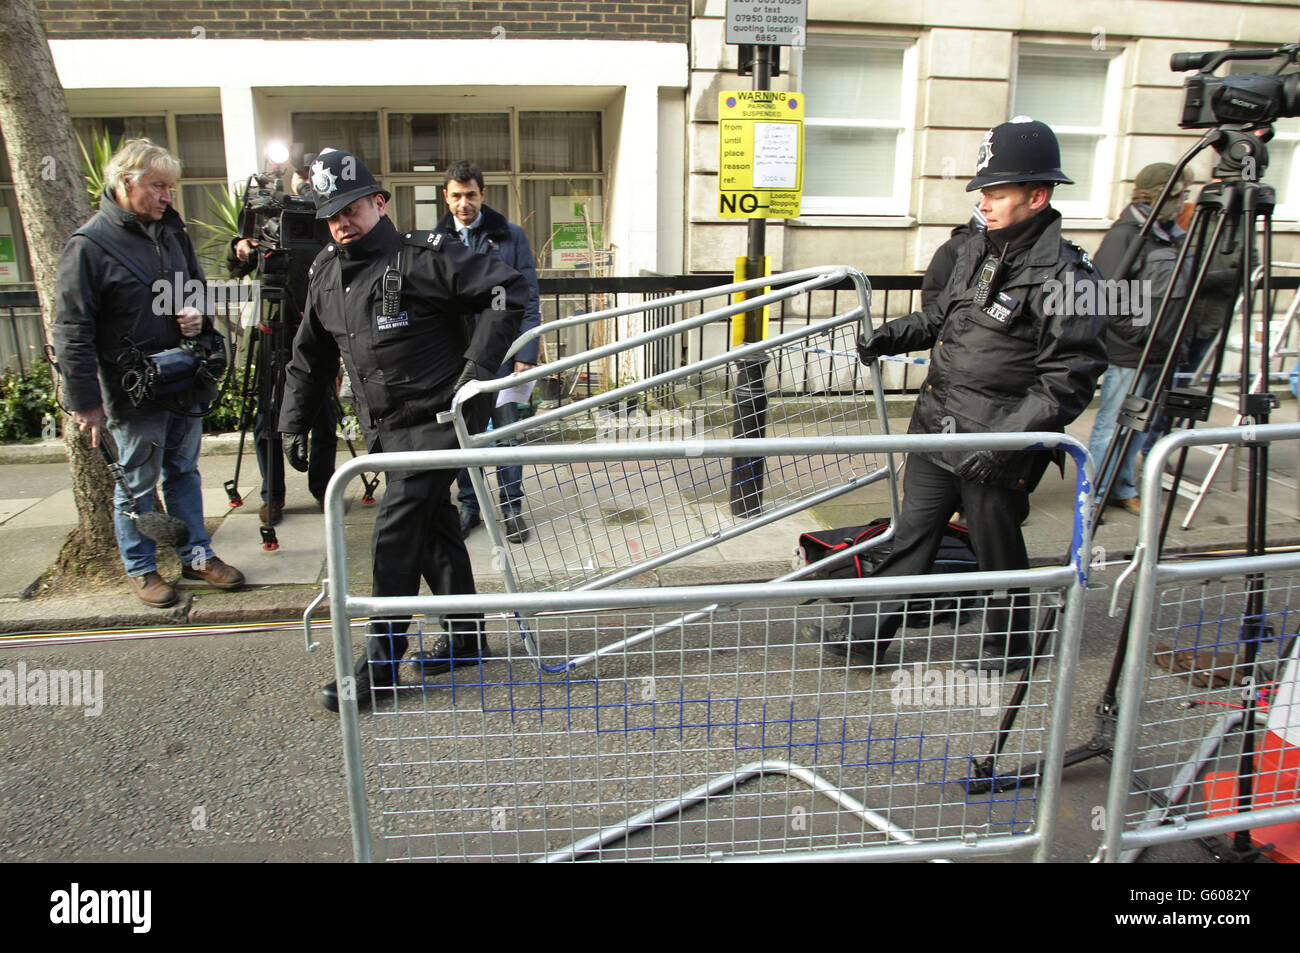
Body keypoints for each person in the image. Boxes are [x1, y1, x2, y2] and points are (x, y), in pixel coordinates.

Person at [835, 117, 1107, 672]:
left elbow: (1067, 379)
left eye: (998, 192)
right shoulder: (975, 251)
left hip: (995, 444)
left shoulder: (1068, 276)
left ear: (1038, 195)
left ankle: (1008, 651)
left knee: (997, 552)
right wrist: (892, 335)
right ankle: (864, 636)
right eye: (983, 191)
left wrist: (1006, 443)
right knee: (911, 536)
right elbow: (944, 315)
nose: (985, 202)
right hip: (938, 425)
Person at [278, 148, 528, 712]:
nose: (341, 222)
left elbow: (505, 290)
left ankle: (382, 664)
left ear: (378, 202)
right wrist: (292, 423)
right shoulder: (324, 274)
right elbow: (308, 358)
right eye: (330, 214)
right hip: (385, 430)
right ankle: (466, 641)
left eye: (350, 208)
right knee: (435, 530)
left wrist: (477, 371)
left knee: (394, 535)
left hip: (439, 421)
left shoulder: (422, 257)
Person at [52, 139, 246, 608]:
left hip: (184, 379)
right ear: (124, 183)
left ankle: (196, 557)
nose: (166, 197)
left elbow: (196, 290)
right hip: (131, 391)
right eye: (157, 186)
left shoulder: (172, 234)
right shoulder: (88, 247)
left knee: (184, 473)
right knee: (136, 485)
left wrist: (197, 316)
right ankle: (142, 570)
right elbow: (71, 330)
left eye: (170, 187)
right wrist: (85, 403)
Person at [437, 161, 542, 544]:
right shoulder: (436, 240)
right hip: (458, 359)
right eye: (456, 196)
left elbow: (528, 299)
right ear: (446, 198)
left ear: (482, 194)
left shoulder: (510, 236)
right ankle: (470, 506)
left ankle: (512, 508)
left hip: (503, 354)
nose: (464, 203)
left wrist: (526, 352)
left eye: (471, 195)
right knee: (465, 435)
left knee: (507, 434)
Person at [226, 173, 337, 523]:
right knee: (268, 418)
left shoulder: (319, 220)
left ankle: (324, 490)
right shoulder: (264, 227)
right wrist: (239, 248)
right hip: (271, 330)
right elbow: (234, 265)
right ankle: (272, 495)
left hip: (315, 332)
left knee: (323, 417)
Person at [1085, 163, 1192, 516]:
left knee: (1139, 424)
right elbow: (1104, 293)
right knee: (1114, 422)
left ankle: (1122, 485)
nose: (1185, 200)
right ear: (1165, 193)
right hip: (1132, 352)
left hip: (1162, 350)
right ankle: (1095, 492)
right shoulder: (1127, 234)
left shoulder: (1170, 232)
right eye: (1182, 193)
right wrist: (1140, 332)